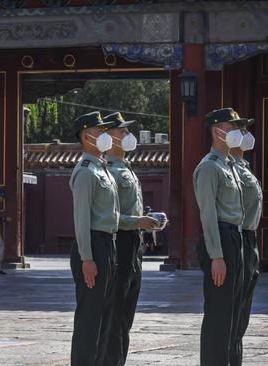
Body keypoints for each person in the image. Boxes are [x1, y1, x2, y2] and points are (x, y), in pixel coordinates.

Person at [102, 112, 159, 365]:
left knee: (126, 315)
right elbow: (107, 216)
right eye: (122, 132)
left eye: (127, 131)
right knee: (114, 313)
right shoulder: (108, 171)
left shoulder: (127, 168)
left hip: (134, 243)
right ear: (108, 136)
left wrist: (146, 221)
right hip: (118, 243)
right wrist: (137, 222)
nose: (127, 136)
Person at [193, 107, 246, 366]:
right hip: (221, 240)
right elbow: (209, 214)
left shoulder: (229, 164)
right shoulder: (209, 167)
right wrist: (216, 255)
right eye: (232, 126)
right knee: (219, 314)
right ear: (217, 130)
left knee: (233, 312)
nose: (238, 131)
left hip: (235, 238)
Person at [68, 111, 120, 366]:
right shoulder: (86, 171)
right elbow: (82, 219)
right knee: (90, 320)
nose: (105, 136)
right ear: (86, 136)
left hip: (107, 244)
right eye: (100, 132)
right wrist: (87, 258)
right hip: (93, 246)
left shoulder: (102, 169)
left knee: (105, 319)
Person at [230, 118, 263, 366]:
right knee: (231, 313)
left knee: (242, 312)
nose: (245, 134)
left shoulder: (243, 166)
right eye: (239, 130)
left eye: (245, 129)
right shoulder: (227, 169)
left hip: (249, 238)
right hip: (237, 237)